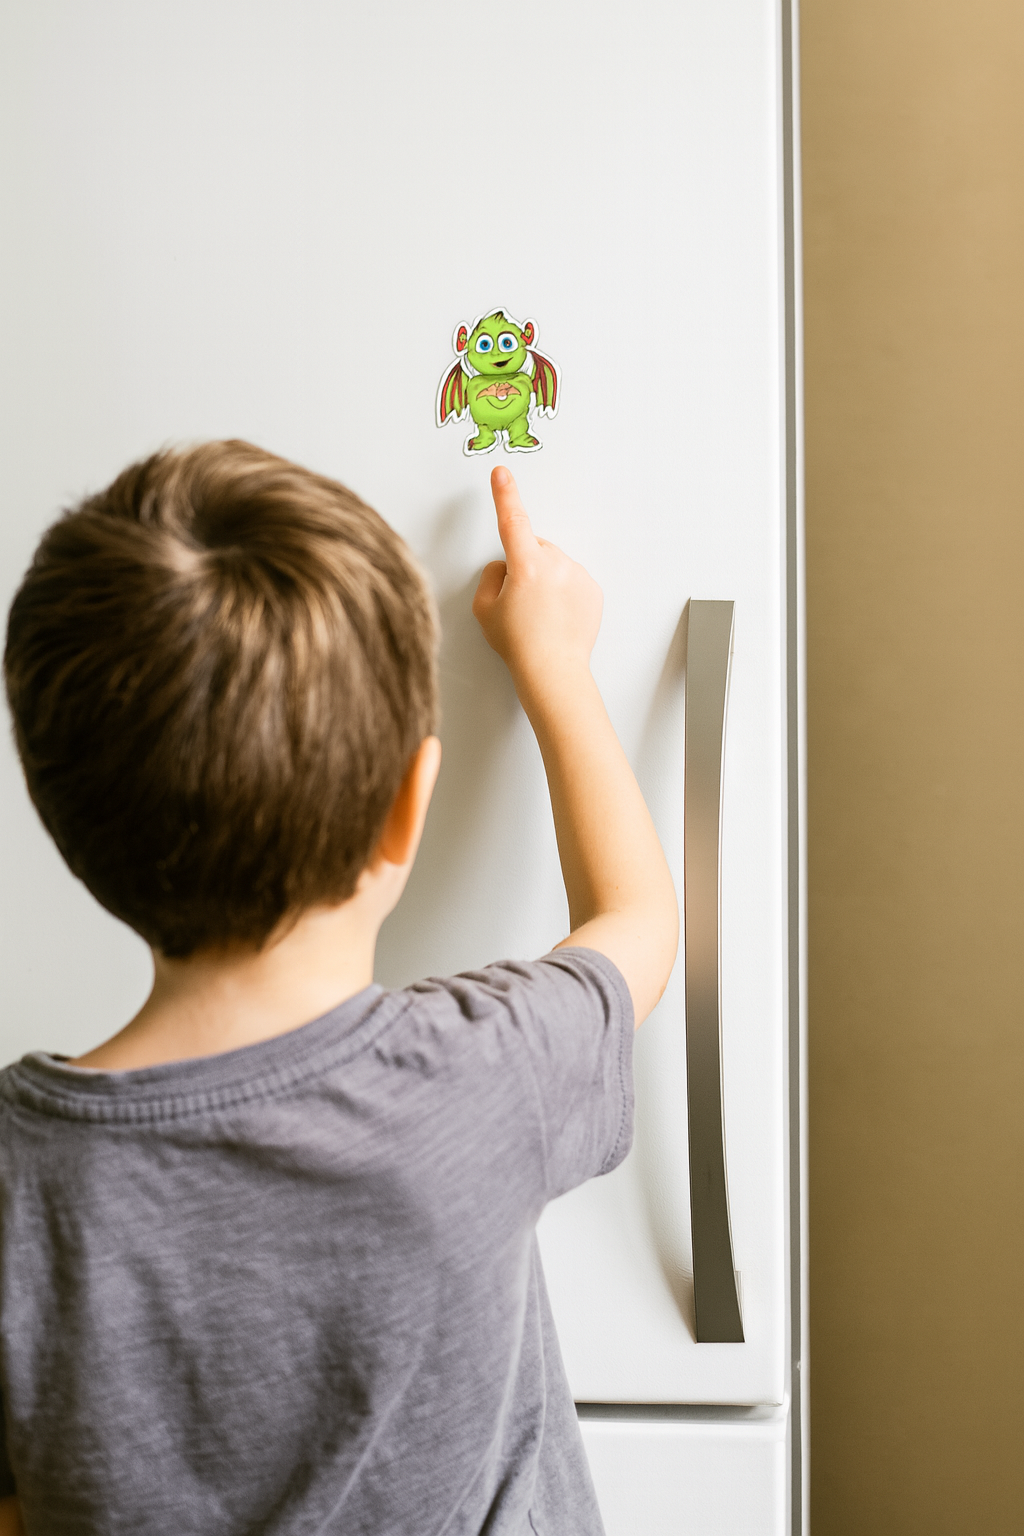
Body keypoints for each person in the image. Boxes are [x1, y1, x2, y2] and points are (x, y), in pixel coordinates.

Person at [0, 442, 677, 1536]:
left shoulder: (16, 1186)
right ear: (411, 807)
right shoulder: (482, 1077)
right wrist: (555, 662)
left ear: (59, 812)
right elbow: (636, 921)